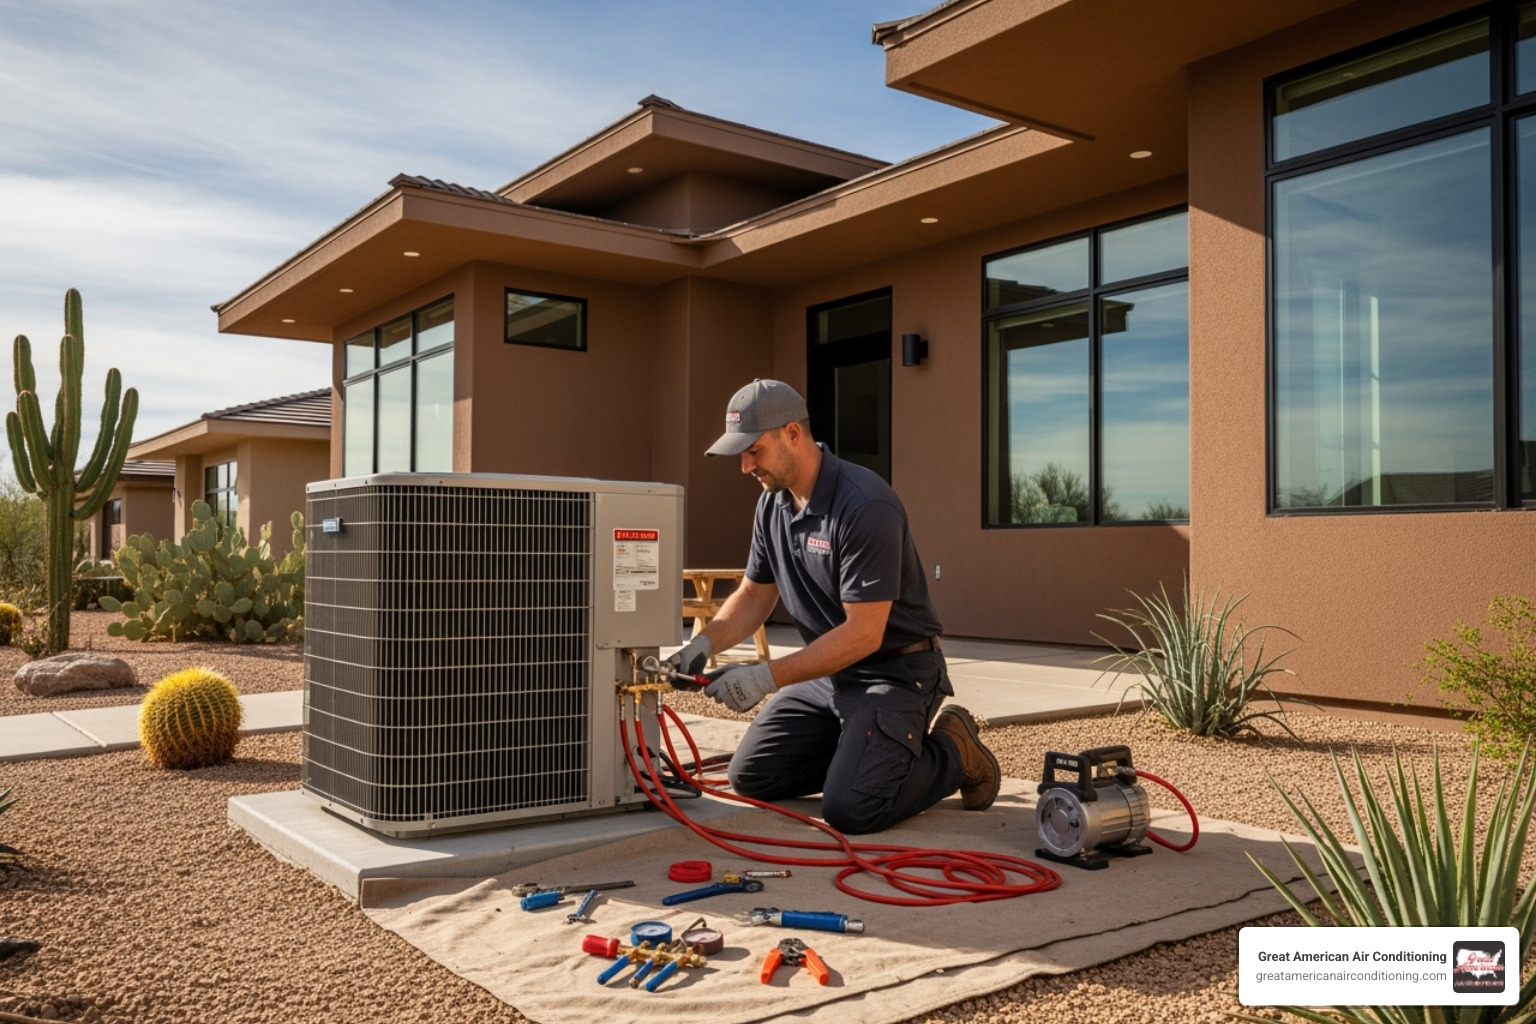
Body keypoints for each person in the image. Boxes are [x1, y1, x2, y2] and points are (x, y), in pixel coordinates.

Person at [665, 379, 1000, 835]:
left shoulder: (864, 505)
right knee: (752, 777)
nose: (745, 466)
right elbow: (755, 595)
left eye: (754, 451)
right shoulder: (772, 505)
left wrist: (765, 677)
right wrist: (700, 644)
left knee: (851, 810)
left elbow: (865, 633)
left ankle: (954, 751)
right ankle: (863, 759)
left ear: (792, 435)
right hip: (832, 675)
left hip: (895, 673)